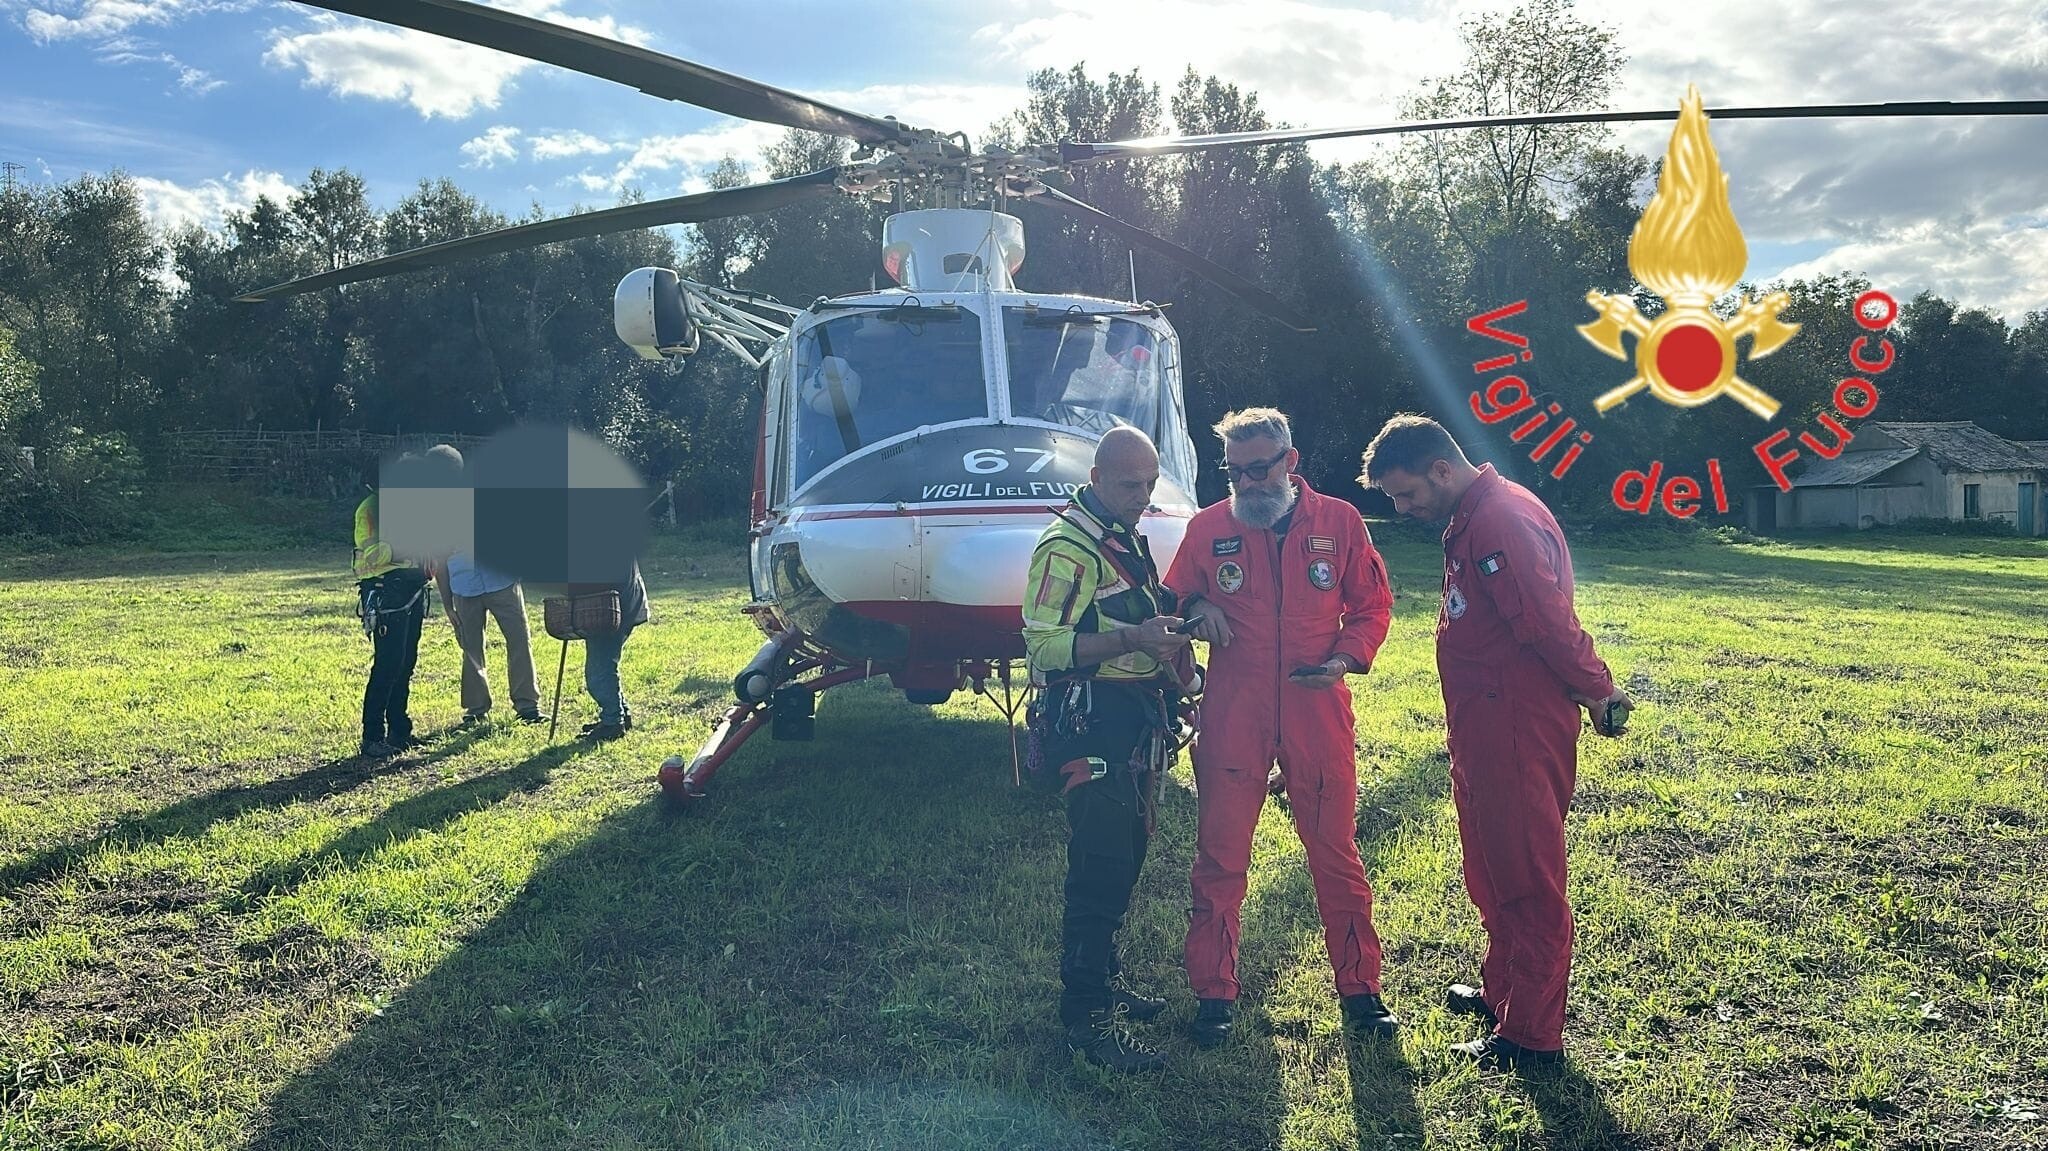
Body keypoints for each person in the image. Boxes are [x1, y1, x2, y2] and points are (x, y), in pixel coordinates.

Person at [1358, 414, 1633, 1071]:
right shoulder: (1472, 514)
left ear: (1441, 470)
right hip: (1483, 726)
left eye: (1405, 494)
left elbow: (1546, 621)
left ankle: (1531, 1037)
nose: (1401, 509)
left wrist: (1599, 690)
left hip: (1515, 725)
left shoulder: (1498, 520)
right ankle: (1504, 992)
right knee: (1490, 867)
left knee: (1527, 876)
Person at [1165, 408, 1399, 1048]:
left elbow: (1373, 604)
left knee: (1334, 853)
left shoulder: (1340, 522)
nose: (1247, 482)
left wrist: (1346, 658)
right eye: (1235, 471)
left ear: (1290, 462)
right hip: (1232, 710)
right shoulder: (1209, 527)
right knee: (1220, 857)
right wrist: (1200, 605)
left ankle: (1360, 988)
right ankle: (1214, 993)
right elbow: (1176, 596)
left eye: (1260, 468)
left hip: (1315, 705)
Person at [1021, 426, 1197, 1073]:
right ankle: (1086, 1017)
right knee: (1098, 863)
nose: (1142, 495)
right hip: (1089, 721)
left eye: (1150, 483)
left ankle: (1106, 978)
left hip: (1132, 717)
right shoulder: (1066, 547)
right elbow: (1041, 648)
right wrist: (1133, 636)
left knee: (1126, 854)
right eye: (1129, 484)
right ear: (1095, 477)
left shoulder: (1121, 536)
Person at [424, 446, 545, 727]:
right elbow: (439, 560)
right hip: (465, 585)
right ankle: (477, 708)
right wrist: (448, 604)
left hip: (501, 581)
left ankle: (527, 705)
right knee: (471, 647)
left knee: (518, 641)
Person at [351, 457, 434, 759]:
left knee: (406, 662)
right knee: (388, 664)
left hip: (411, 589)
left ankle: (400, 729)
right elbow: (370, 553)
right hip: (386, 591)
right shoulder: (370, 509)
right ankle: (372, 735)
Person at [574, 558, 648, 741]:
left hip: (610, 608)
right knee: (606, 664)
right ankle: (621, 714)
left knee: (599, 671)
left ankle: (612, 722)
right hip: (619, 604)